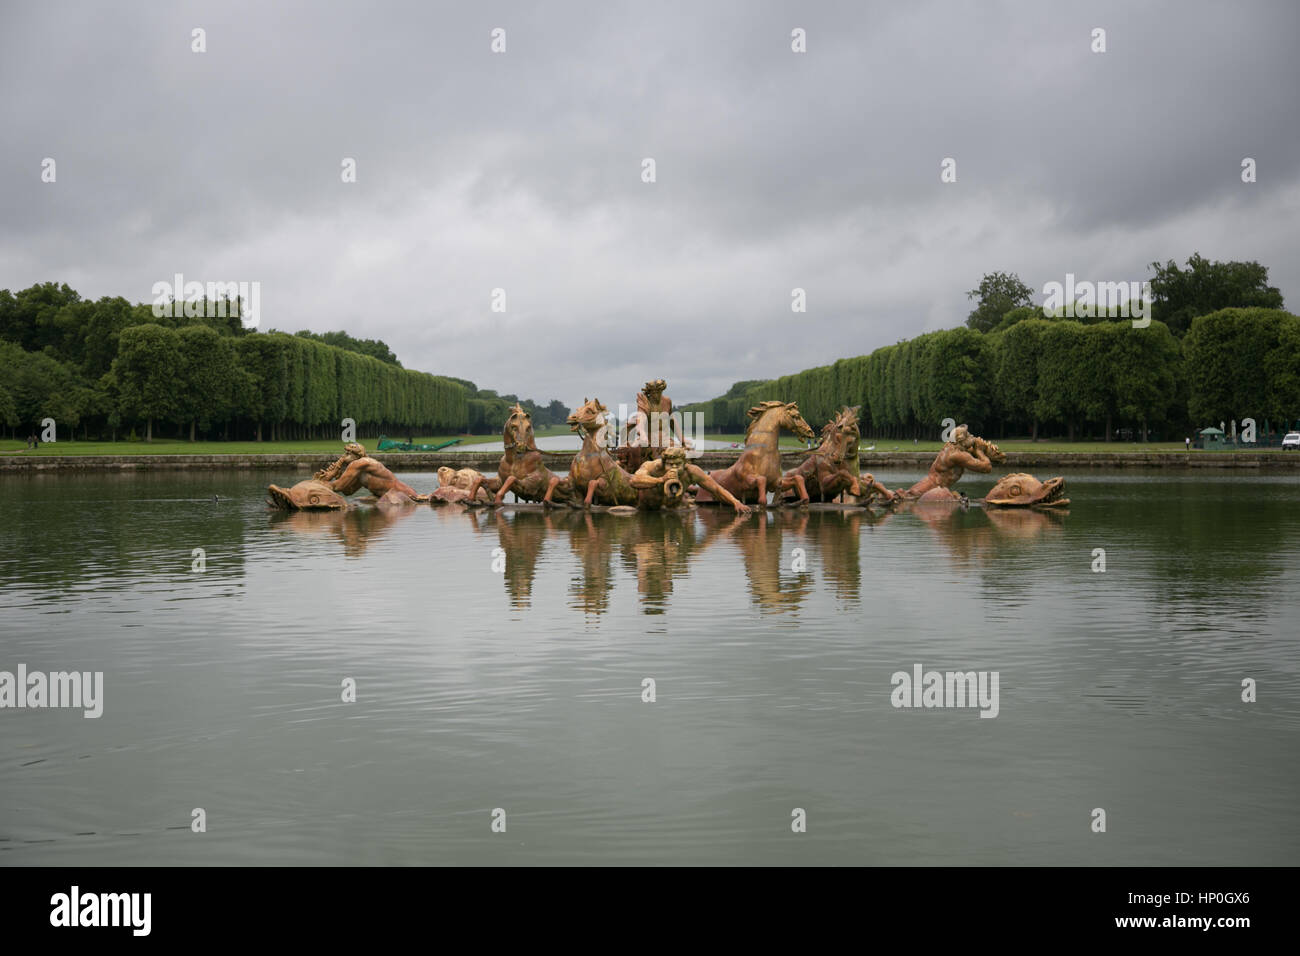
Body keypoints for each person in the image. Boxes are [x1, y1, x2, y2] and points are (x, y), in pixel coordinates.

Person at [630, 446, 750, 514]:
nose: (674, 468)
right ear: (663, 463)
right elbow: (634, 481)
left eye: (678, 464)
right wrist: (661, 479)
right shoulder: (653, 467)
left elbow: (716, 489)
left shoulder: (691, 471)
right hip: (647, 511)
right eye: (670, 465)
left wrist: (736, 502)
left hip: (674, 512)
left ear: (685, 463)